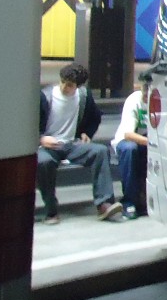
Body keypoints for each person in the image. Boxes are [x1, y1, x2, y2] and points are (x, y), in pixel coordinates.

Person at [37, 62, 122, 223]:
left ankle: (104, 203)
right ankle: (51, 210)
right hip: (48, 146)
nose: (64, 87)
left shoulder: (83, 97)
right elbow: (31, 122)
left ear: (77, 86)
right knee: (44, 162)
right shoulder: (46, 96)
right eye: (62, 82)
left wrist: (86, 133)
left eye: (69, 85)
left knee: (100, 152)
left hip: (71, 144)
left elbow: (95, 117)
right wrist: (41, 138)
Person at [110, 71, 151, 219]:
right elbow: (128, 134)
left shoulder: (160, 101)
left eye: (150, 88)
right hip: (128, 142)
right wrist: (152, 143)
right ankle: (129, 202)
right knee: (130, 149)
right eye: (144, 88)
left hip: (147, 142)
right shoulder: (134, 100)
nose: (146, 92)